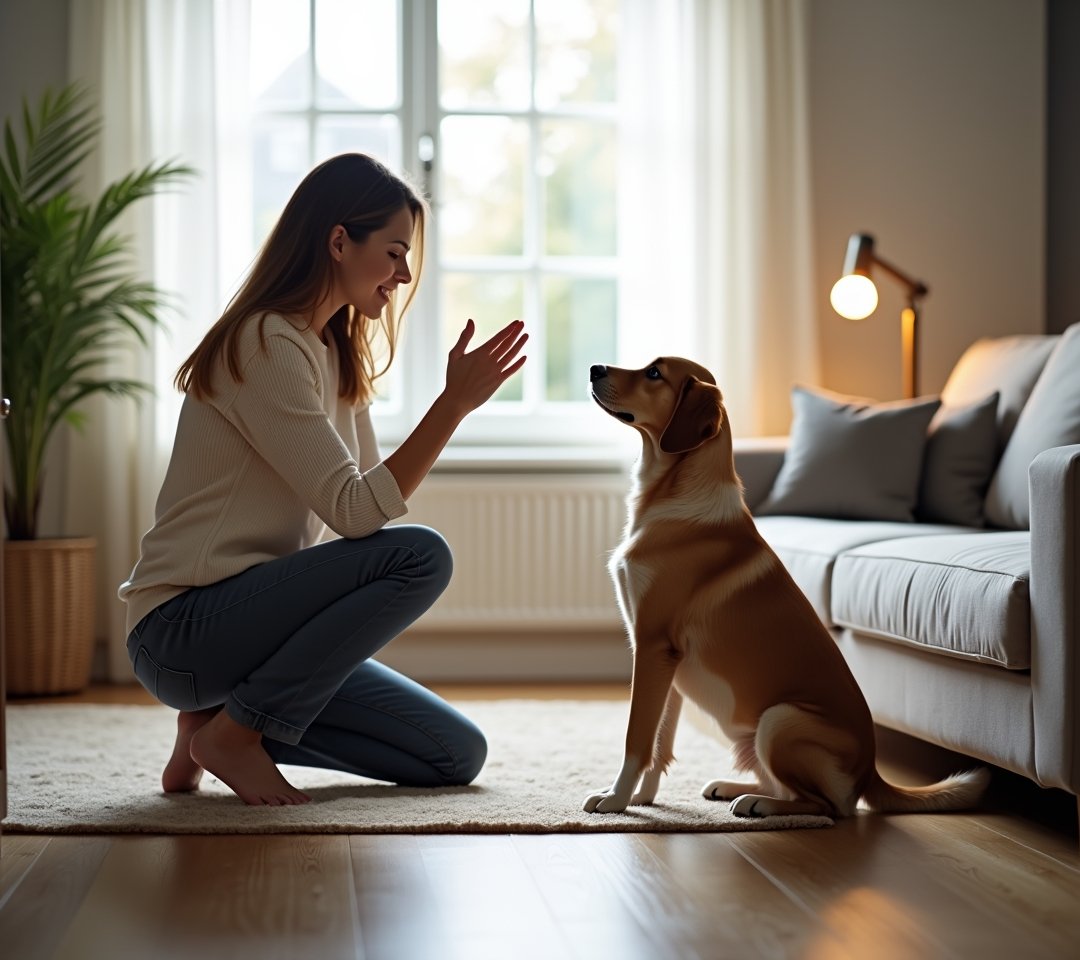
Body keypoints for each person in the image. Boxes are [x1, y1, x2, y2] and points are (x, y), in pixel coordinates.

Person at [118, 152, 527, 806]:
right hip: (181, 630)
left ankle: (216, 721)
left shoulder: (334, 352)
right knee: (423, 557)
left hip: (252, 637)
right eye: (394, 253)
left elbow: (361, 509)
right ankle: (234, 735)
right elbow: (358, 513)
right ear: (339, 242)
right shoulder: (264, 342)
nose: (404, 274)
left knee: (455, 753)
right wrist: (452, 406)